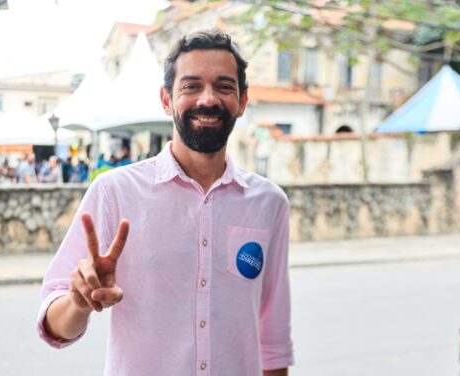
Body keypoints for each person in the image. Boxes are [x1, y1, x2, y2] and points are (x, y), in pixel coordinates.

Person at [37, 29, 293, 376]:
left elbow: (273, 340)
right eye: (191, 86)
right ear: (166, 99)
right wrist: (79, 301)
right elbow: (54, 324)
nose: (207, 99)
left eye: (223, 86)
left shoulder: (268, 203)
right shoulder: (115, 192)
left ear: (242, 101)